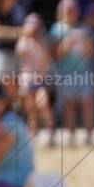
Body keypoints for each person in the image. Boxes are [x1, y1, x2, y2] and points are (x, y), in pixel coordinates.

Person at [50, 0, 94, 145]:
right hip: (66, 73)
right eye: (68, 9)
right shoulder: (56, 29)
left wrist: (85, 40)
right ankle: (71, 137)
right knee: (68, 106)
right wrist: (67, 43)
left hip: (84, 72)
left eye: (73, 9)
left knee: (87, 104)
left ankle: (89, 136)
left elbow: (91, 54)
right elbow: (54, 55)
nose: (71, 12)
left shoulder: (84, 28)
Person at [15, 13, 56, 143]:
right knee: (31, 110)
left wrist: (39, 42)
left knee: (43, 103)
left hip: (42, 79)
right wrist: (27, 38)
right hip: (28, 80)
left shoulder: (43, 43)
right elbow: (22, 55)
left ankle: (50, 130)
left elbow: (47, 58)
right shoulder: (23, 42)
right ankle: (32, 136)